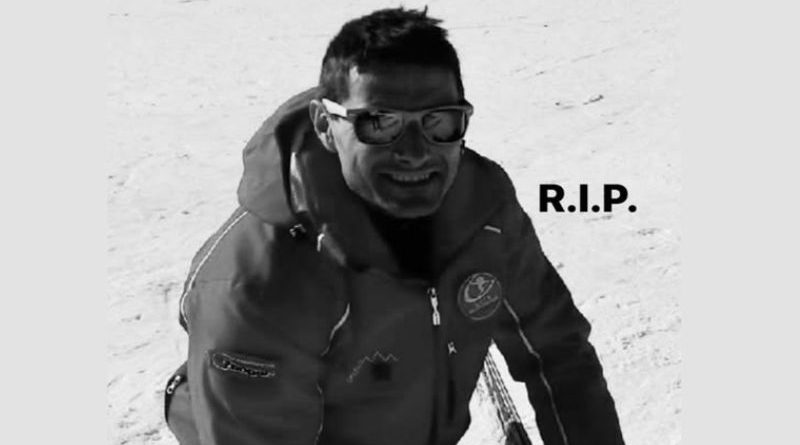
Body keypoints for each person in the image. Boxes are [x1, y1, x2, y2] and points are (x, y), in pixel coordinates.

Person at [163, 7, 626, 445]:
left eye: (440, 122)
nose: (415, 152)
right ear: (325, 125)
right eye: (380, 124)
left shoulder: (485, 211)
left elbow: (557, 352)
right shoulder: (260, 284)